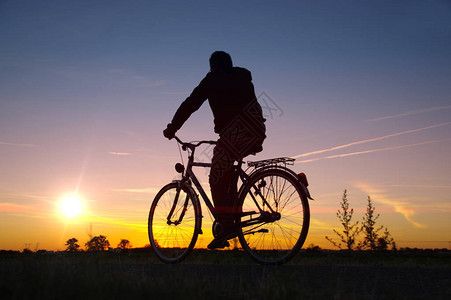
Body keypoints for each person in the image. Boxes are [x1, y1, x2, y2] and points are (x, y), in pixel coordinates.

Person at [163, 51, 266, 249]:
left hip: (236, 132)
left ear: (215, 66)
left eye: (210, 66)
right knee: (227, 172)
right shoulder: (243, 78)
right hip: (257, 131)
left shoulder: (213, 79)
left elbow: (190, 104)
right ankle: (230, 221)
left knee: (215, 175)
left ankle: (226, 224)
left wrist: (172, 128)